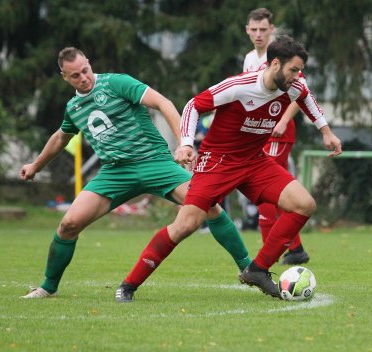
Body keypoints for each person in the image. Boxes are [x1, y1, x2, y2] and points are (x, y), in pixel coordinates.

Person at [115, 35, 342, 300]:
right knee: (186, 225)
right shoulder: (239, 86)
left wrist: (325, 131)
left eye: (300, 70)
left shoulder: (294, 85)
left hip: (254, 161)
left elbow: (307, 97)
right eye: (293, 69)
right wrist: (186, 143)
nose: (297, 76)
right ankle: (128, 285)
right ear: (276, 64)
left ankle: (257, 270)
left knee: (304, 204)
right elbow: (193, 106)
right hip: (218, 163)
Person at [20, 47, 251, 300]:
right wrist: (35, 166)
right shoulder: (74, 107)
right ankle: (48, 287)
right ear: (65, 77)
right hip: (114, 173)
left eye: (85, 70)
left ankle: (248, 268)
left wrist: (184, 143)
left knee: (210, 207)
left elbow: (164, 103)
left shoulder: (117, 83)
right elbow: (60, 137)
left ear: (89, 62)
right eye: (75, 76)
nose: (83, 78)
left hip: (155, 163)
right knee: (68, 224)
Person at [244, 8, 311, 265]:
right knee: (280, 192)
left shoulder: (283, 57)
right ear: (247, 30)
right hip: (260, 132)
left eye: (264, 29)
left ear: (272, 29)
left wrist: (283, 120)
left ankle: (265, 257)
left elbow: (301, 92)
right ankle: (294, 248)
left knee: (265, 191)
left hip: (278, 133)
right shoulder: (250, 59)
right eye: (254, 29)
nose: (259, 34)